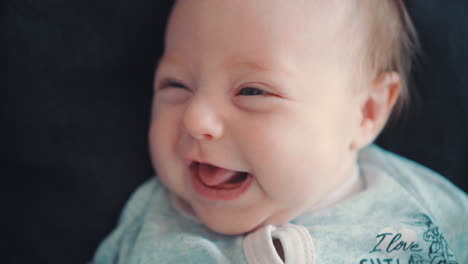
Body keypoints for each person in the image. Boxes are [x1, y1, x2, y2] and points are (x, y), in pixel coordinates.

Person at [93, 0, 467, 263]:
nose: (196, 119)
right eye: (175, 85)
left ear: (366, 112)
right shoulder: (150, 220)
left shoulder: (425, 210)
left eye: (252, 91)